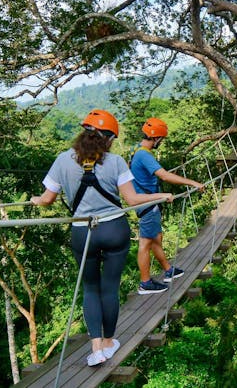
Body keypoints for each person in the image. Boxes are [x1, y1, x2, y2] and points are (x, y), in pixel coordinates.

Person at [30, 109, 173, 367]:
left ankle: (96, 348)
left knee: (90, 288)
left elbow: (47, 200)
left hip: (82, 232)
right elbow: (131, 199)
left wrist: (35, 200)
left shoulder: (63, 160)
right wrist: (160, 196)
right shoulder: (116, 161)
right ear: (107, 138)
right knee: (109, 288)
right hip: (114, 230)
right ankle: (109, 343)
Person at [130, 117, 205, 295]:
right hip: (148, 203)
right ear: (156, 138)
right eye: (161, 139)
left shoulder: (136, 151)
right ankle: (145, 283)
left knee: (156, 237)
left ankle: (168, 269)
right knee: (146, 242)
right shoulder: (144, 155)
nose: (161, 143)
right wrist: (193, 183)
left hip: (148, 202)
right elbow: (163, 176)